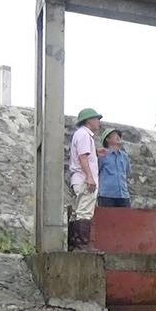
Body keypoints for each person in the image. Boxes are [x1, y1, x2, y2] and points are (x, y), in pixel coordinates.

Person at [68, 108, 103, 251]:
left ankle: (74, 243)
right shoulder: (84, 135)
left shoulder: (80, 134)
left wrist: (95, 153)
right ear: (89, 120)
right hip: (84, 178)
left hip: (78, 178)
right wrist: (89, 177)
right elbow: (83, 157)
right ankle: (82, 244)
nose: (98, 122)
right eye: (96, 119)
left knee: (78, 211)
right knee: (85, 212)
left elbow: (83, 155)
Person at [97, 128, 131, 208]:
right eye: (114, 135)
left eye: (119, 135)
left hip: (123, 195)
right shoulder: (103, 155)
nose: (118, 137)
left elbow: (127, 172)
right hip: (107, 195)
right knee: (107, 219)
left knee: (126, 219)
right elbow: (96, 171)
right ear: (107, 139)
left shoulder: (124, 156)